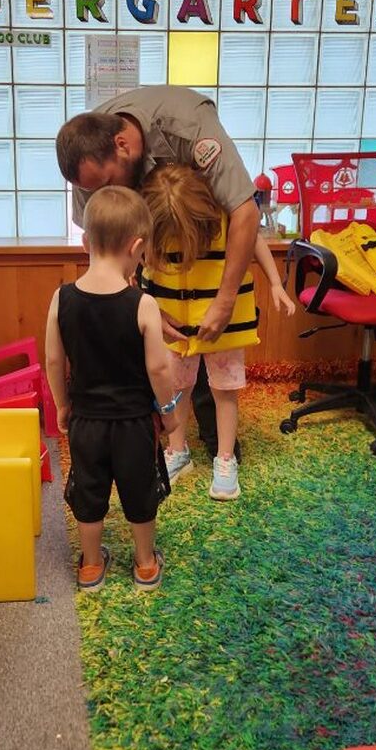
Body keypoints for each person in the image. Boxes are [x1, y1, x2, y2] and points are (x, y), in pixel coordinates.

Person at [56, 85, 261, 461]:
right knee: (171, 362)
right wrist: (143, 300)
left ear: (122, 145)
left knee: (211, 355)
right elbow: (105, 246)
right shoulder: (90, 163)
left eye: (107, 184)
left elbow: (245, 211)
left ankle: (218, 442)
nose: (103, 194)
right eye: (89, 190)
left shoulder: (189, 126)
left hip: (199, 234)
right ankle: (175, 444)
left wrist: (225, 300)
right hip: (155, 258)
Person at [45, 186, 180, 593]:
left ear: (86, 241)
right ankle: (145, 564)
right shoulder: (143, 304)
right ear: (136, 247)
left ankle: (90, 566)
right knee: (139, 491)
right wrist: (169, 412)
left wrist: (62, 405)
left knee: (89, 491)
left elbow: (54, 361)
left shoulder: (61, 298)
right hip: (134, 423)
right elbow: (159, 366)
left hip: (86, 421)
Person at [141, 165, 296, 499]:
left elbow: (253, 238)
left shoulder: (226, 218)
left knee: (224, 391)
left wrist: (275, 282)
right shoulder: (155, 224)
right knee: (176, 388)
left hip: (224, 324)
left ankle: (225, 458)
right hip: (177, 326)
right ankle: (177, 451)